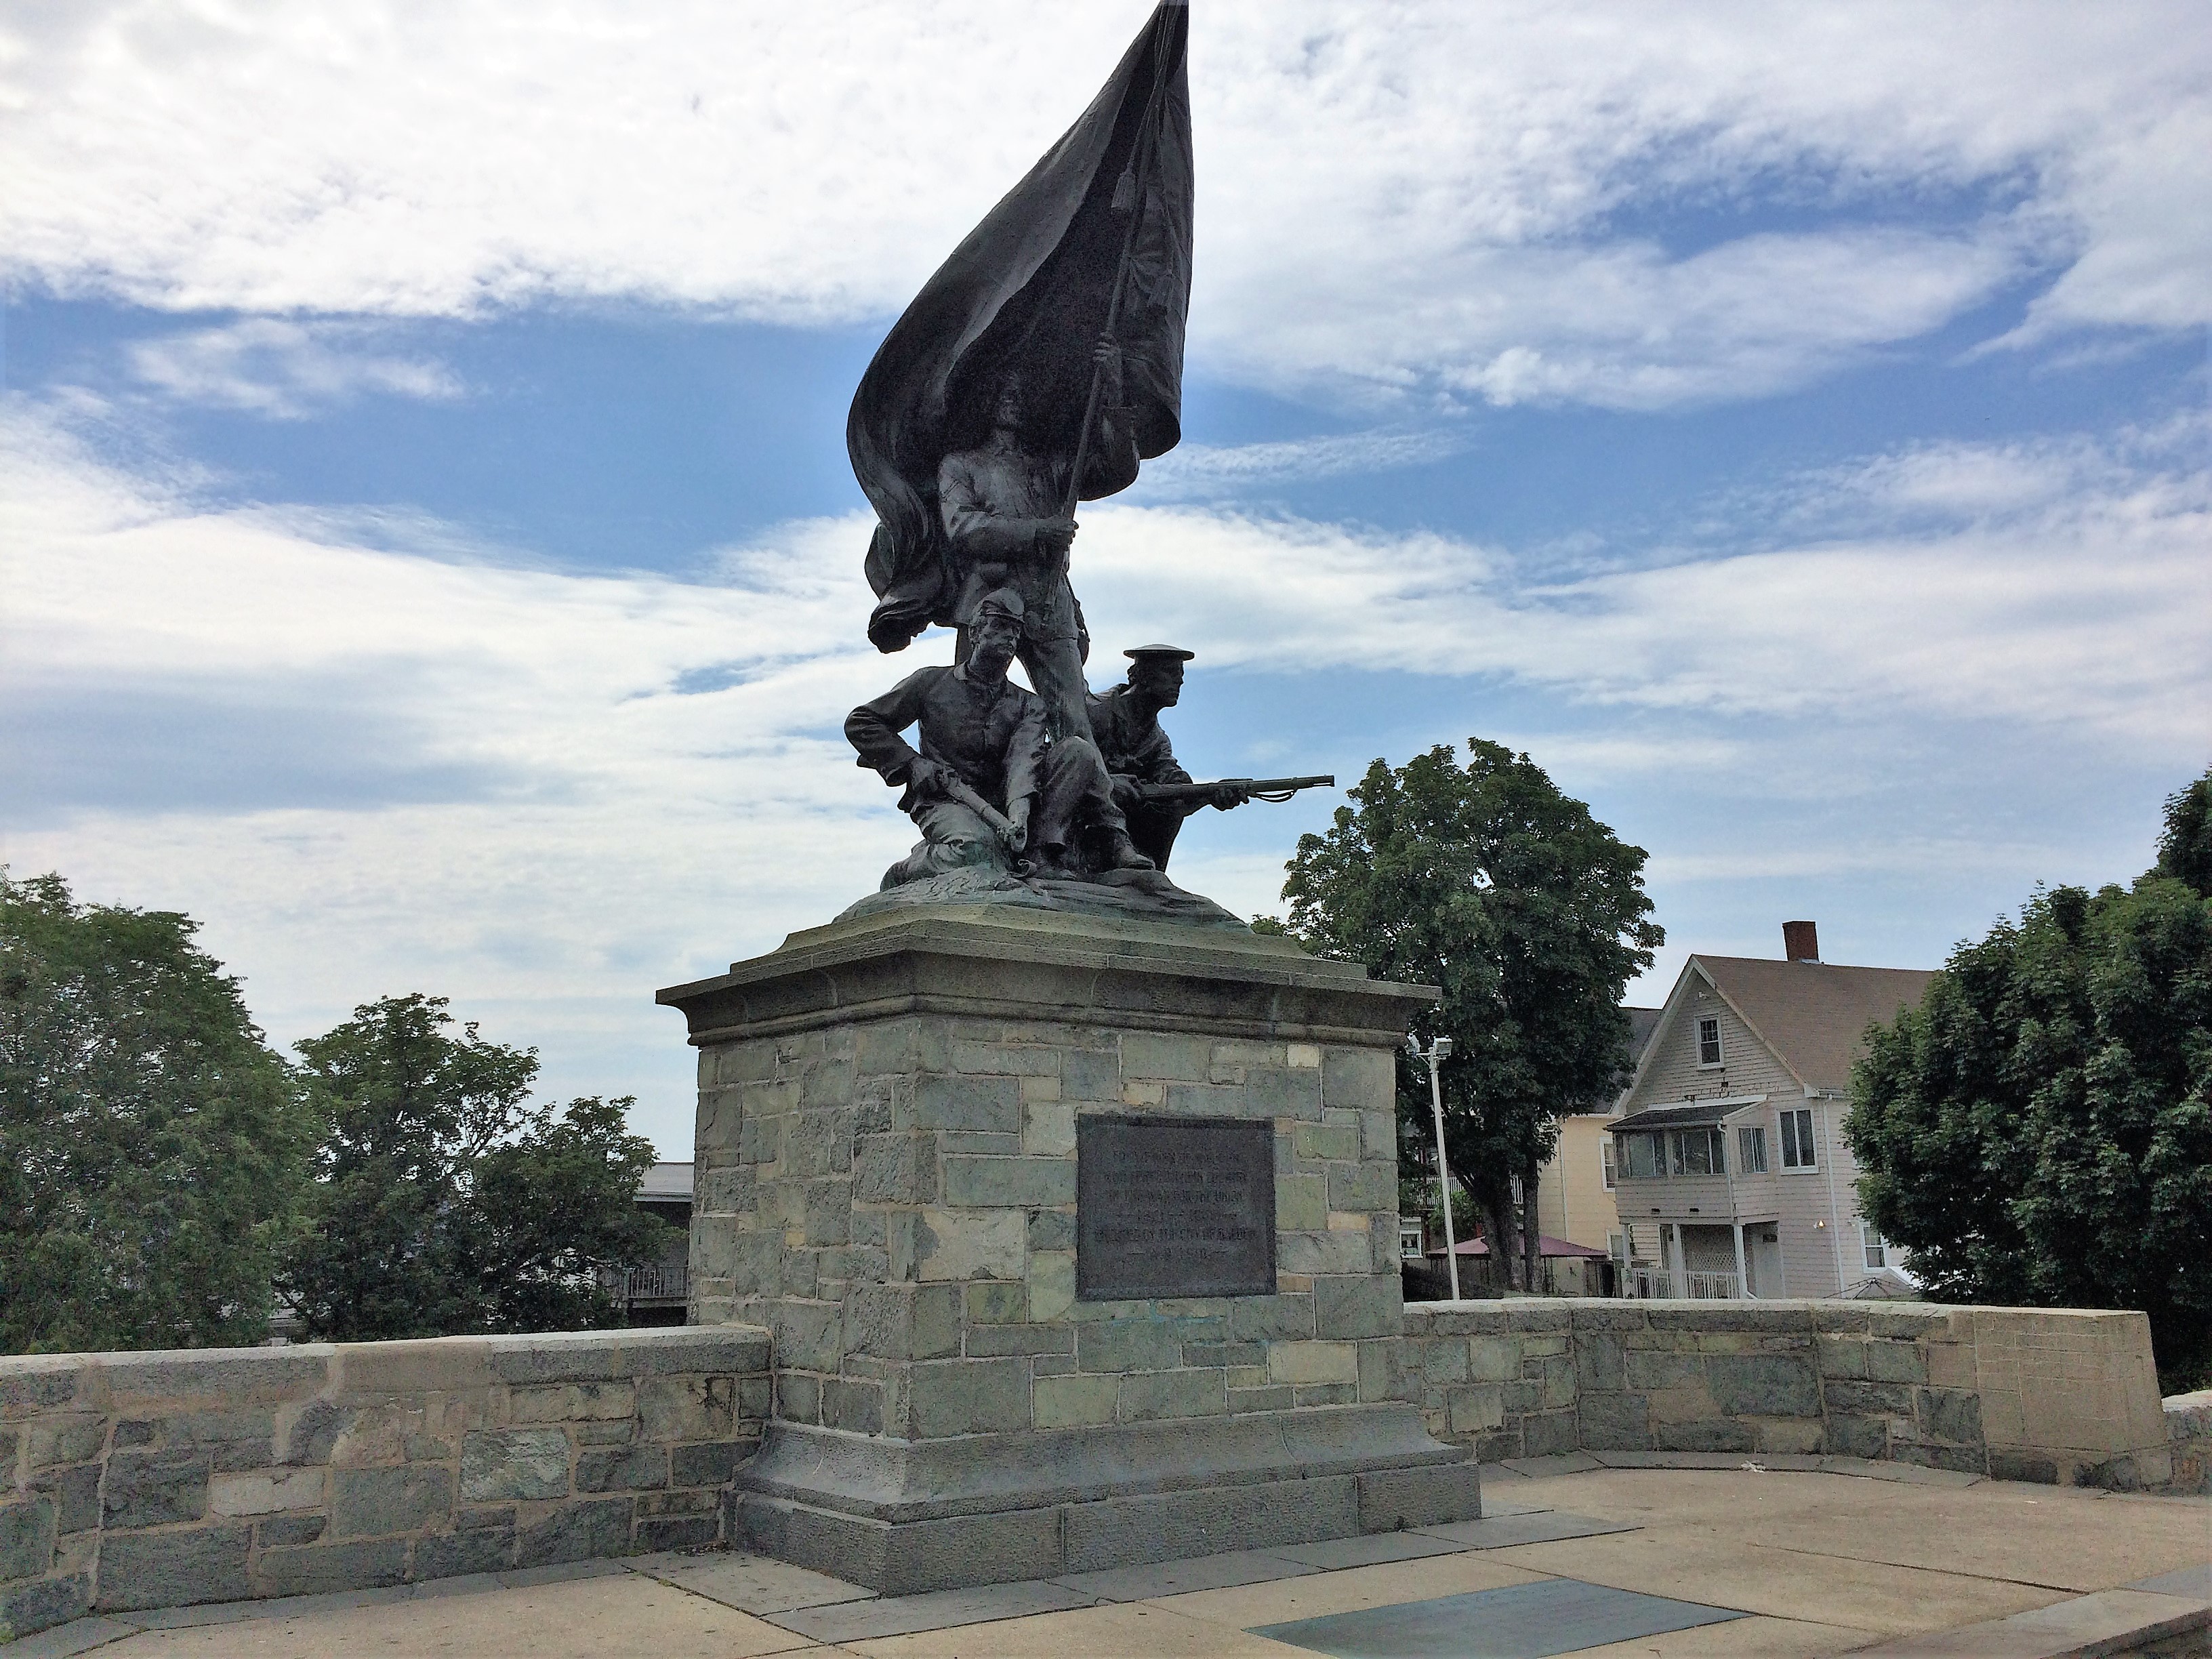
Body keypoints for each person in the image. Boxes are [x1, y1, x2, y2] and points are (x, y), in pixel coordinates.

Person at [846, 590, 1154, 888]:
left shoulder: (1028, 705)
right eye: (1002, 626)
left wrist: (1019, 816)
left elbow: (1023, 762)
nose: (1011, 637)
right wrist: (912, 764)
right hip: (946, 799)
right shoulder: (929, 683)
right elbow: (862, 722)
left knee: (1077, 751)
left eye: (1017, 631)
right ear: (976, 633)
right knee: (974, 852)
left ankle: (1041, 852)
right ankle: (909, 870)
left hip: (1005, 803)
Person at [936, 338, 1139, 741]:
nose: (1013, 402)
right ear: (987, 402)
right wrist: (1038, 531)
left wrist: (1114, 390)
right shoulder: (962, 464)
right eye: (1005, 394)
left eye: (1021, 396)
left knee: (1073, 721)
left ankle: (1090, 797)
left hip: (1047, 597)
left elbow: (1117, 467)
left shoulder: (1051, 468)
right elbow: (963, 528)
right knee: (970, 715)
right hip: (987, 600)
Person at [1086, 644, 1249, 872]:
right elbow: (1069, 762)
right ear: (1142, 676)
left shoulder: (1158, 740)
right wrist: (1110, 782)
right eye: (1171, 673)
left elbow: (1173, 783)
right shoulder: (1095, 710)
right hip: (1081, 815)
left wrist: (1210, 794)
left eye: (1181, 676)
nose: (1180, 682)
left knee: (1171, 803)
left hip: (1125, 818)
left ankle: (1149, 876)